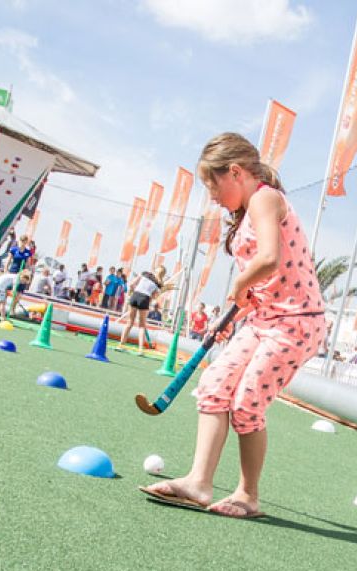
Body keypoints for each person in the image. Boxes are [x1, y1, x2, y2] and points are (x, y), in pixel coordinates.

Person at [140, 132, 327, 519]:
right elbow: (263, 285)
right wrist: (236, 314)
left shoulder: (264, 198)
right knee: (213, 386)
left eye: (213, 184)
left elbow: (270, 259)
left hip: (296, 322)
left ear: (236, 172)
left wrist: (239, 286)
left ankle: (248, 495)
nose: (211, 196)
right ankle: (198, 482)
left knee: (246, 402)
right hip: (263, 319)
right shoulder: (246, 213)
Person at [118, 266, 165, 350]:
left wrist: (132, 292)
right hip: (145, 298)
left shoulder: (145, 273)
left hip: (135, 295)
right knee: (142, 326)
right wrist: (147, 301)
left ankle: (121, 344)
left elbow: (132, 284)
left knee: (129, 323)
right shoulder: (159, 283)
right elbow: (154, 296)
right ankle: (140, 348)